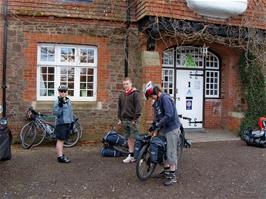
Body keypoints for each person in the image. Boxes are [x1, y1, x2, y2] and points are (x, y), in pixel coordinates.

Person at [144, 81, 181, 186]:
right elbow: (157, 117)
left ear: (155, 92)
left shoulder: (165, 99)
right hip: (163, 128)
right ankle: (166, 171)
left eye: (151, 96)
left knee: (171, 152)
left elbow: (169, 115)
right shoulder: (156, 102)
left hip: (172, 128)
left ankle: (173, 176)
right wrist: (153, 126)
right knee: (160, 149)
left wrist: (158, 124)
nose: (152, 98)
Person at [118, 77, 142, 163]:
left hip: (133, 120)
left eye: (127, 84)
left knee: (136, 138)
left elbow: (138, 108)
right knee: (128, 138)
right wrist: (120, 119)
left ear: (131, 84)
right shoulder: (122, 95)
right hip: (125, 120)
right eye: (124, 84)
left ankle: (139, 156)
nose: (125, 86)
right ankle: (131, 155)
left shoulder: (135, 94)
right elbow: (120, 108)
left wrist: (135, 119)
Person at [53, 85, 74, 163]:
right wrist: (60, 106)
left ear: (67, 92)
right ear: (59, 92)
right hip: (61, 124)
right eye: (61, 91)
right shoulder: (57, 101)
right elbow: (55, 113)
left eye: (64, 91)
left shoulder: (68, 100)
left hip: (67, 123)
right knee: (60, 140)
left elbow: (70, 112)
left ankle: (61, 155)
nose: (63, 93)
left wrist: (72, 121)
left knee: (63, 140)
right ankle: (60, 157)